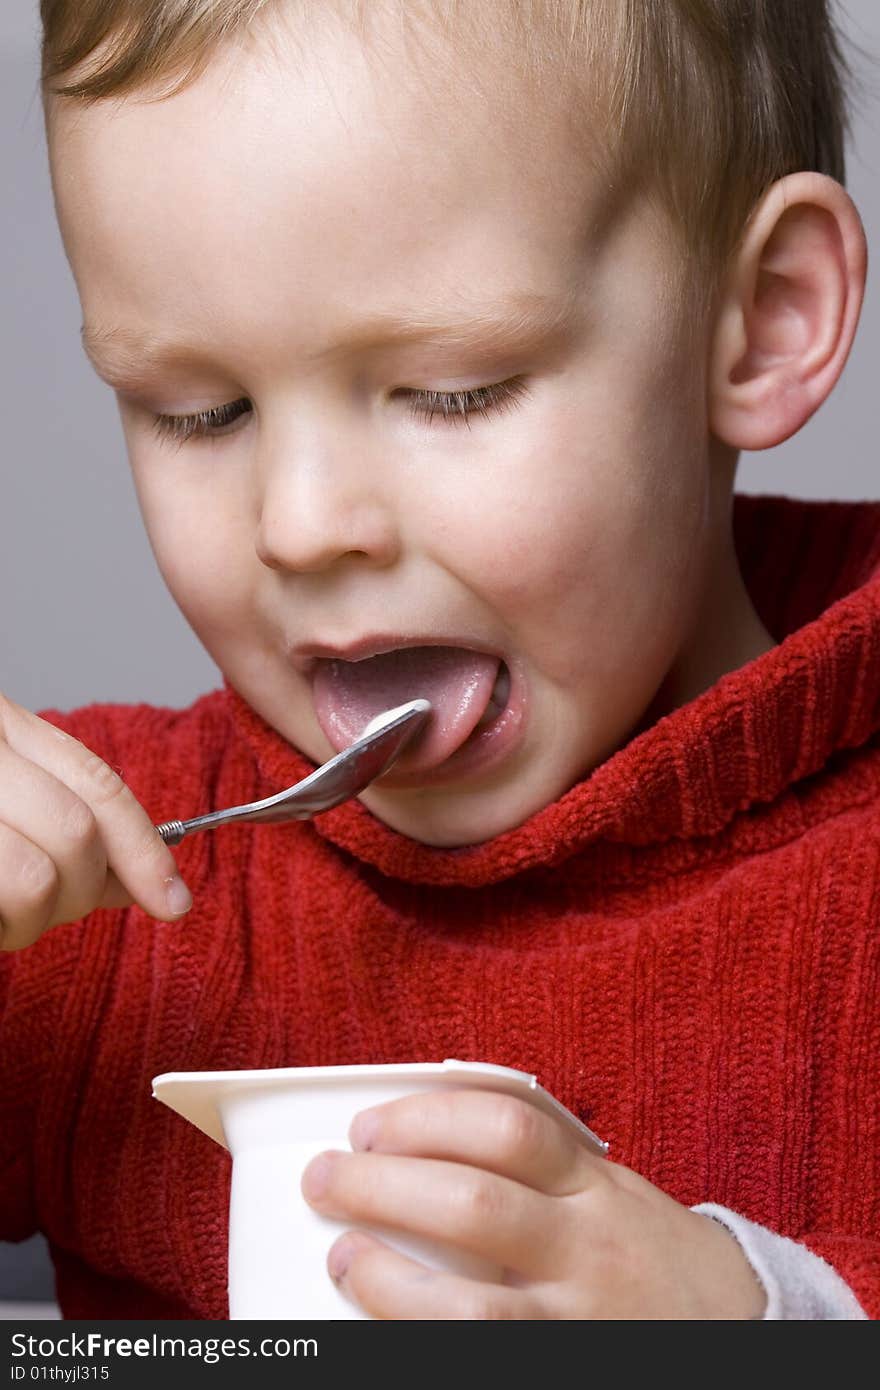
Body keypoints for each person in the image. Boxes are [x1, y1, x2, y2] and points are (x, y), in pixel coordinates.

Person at [0, 0, 875, 1319]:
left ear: (761, 317)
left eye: (451, 387)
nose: (300, 525)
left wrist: (770, 1325)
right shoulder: (85, 897)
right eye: (199, 411)